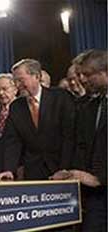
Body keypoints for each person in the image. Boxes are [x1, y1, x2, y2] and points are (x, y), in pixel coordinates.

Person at [0, 59, 75, 181]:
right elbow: (13, 141)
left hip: (62, 169)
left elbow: (69, 136)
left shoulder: (60, 97)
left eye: (20, 80)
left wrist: (65, 168)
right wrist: (9, 169)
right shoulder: (16, 106)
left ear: (36, 76)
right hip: (33, 172)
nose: (17, 85)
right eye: (15, 81)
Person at [52, 50, 107, 232]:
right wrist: (71, 173)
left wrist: (100, 178)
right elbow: (86, 145)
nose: (82, 79)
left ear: (104, 72)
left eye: (87, 74)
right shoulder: (93, 105)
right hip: (97, 196)